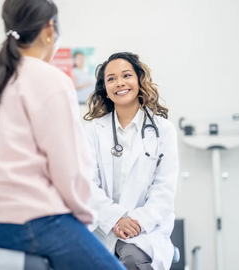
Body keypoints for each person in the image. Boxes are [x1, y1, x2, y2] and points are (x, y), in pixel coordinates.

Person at [0, 1, 125, 269]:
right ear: (49, 29)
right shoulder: (51, 79)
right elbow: (69, 169)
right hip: (33, 221)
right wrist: (83, 222)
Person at [83, 52, 179, 270]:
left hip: (145, 231)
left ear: (139, 80)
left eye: (126, 75)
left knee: (133, 260)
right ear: (105, 89)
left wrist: (135, 223)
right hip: (102, 227)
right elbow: (86, 184)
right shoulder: (92, 131)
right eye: (111, 79)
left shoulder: (163, 130)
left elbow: (164, 189)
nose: (120, 83)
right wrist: (115, 220)